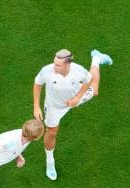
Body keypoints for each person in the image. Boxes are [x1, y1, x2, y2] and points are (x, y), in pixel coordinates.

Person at [33, 48, 113, 180]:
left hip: (74, 98)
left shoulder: (79, 71)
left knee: (95, 90)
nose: (54, 66)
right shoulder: (47, 71)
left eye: (58, 65)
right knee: (52, 131)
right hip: (54, 106)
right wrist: (36, 106)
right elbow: (37, 84)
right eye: (54, 63)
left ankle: (96, 59)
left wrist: (77, 98)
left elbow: (88, 80)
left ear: (68, 64)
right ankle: (50, 161)